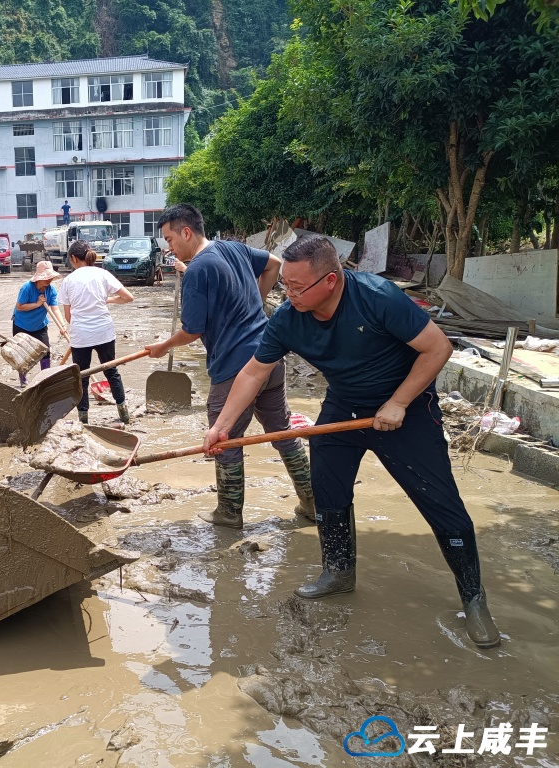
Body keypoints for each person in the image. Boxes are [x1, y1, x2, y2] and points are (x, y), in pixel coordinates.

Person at [205, 233, 500, 649]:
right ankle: (339, 571)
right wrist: (223, 425)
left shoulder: (378, 298)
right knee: (327, 486)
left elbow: (438, 348)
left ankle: (473, 598)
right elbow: (254, 372)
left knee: (440, 501)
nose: (287, 294)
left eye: (296, 286)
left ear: (331, 280)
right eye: (284, 284)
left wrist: (398, 403)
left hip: (406, 411)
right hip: (344, 407)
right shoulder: (290, 317)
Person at [145, 204, 315, 529]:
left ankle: (229, 512)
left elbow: (192, 330)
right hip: (268, 357)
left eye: (169, 238)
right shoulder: (232, 249)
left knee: (224, 437)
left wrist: (163, 347)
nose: (168, 246)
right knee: (282, 432)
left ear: (186, 232)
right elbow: (274, 264)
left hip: (235, 369)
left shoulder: (198, 271)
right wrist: (254, 307)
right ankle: (312, 503)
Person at [58, 240, 134, 424]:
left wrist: (82, 321)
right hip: (104, 332)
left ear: (74, 258)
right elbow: (128, 297)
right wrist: (107, 301)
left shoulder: (68, 281)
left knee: (81, 376)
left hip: (81, 335)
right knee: (111, 372)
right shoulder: (103, 274)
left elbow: (68, 316)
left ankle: (83, 420)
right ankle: (124, 415)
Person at [13, 260, 68, 387]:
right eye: (46, 277)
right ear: (38, 278)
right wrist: (37, 304)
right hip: (22, 324)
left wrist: (62, 325)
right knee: (21, 354)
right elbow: (20, 307)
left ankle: (45, 379)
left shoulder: (51, 290)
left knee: (45, 351)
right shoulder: (27, 288)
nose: (49, 280)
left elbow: (55, 308)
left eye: (50, 277)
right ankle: (23, 379)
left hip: (40, 325)